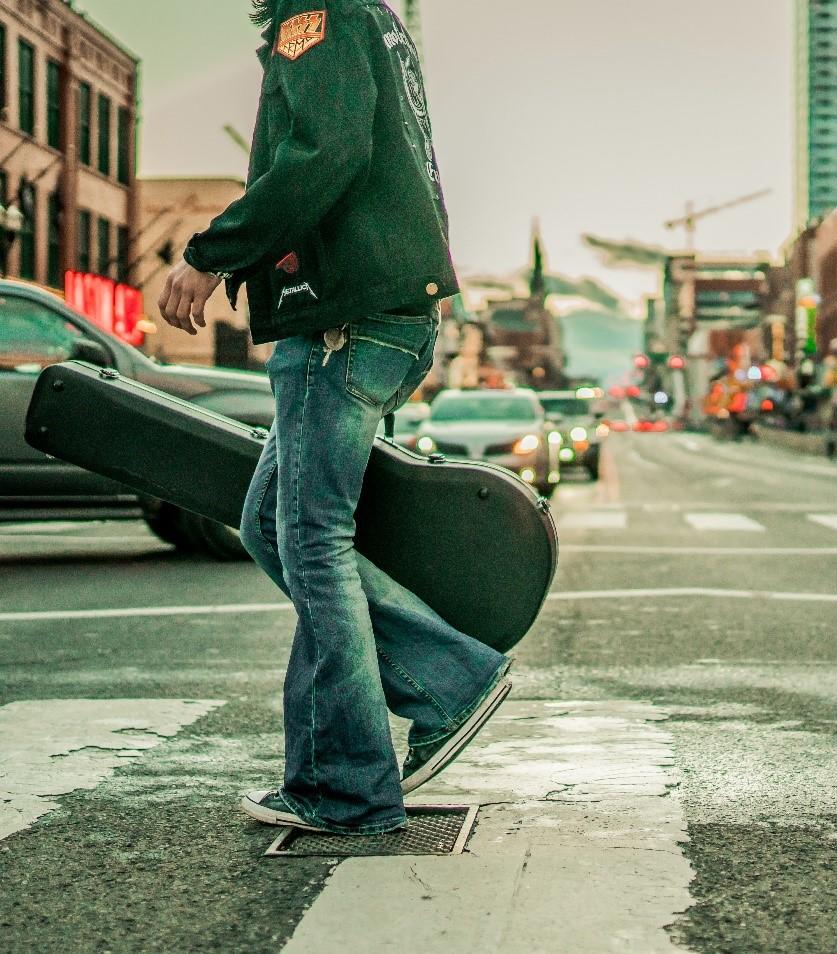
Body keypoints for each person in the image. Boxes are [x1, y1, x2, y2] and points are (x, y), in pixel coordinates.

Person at [158, 0, 512, 836]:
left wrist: (211, 254)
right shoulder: (371, 19)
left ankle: (343, 783)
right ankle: (447, 680)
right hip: (379, 313)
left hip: (343, 321)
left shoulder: (315, 18)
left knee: (310, 537)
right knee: (273, 525)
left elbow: (330, 151)